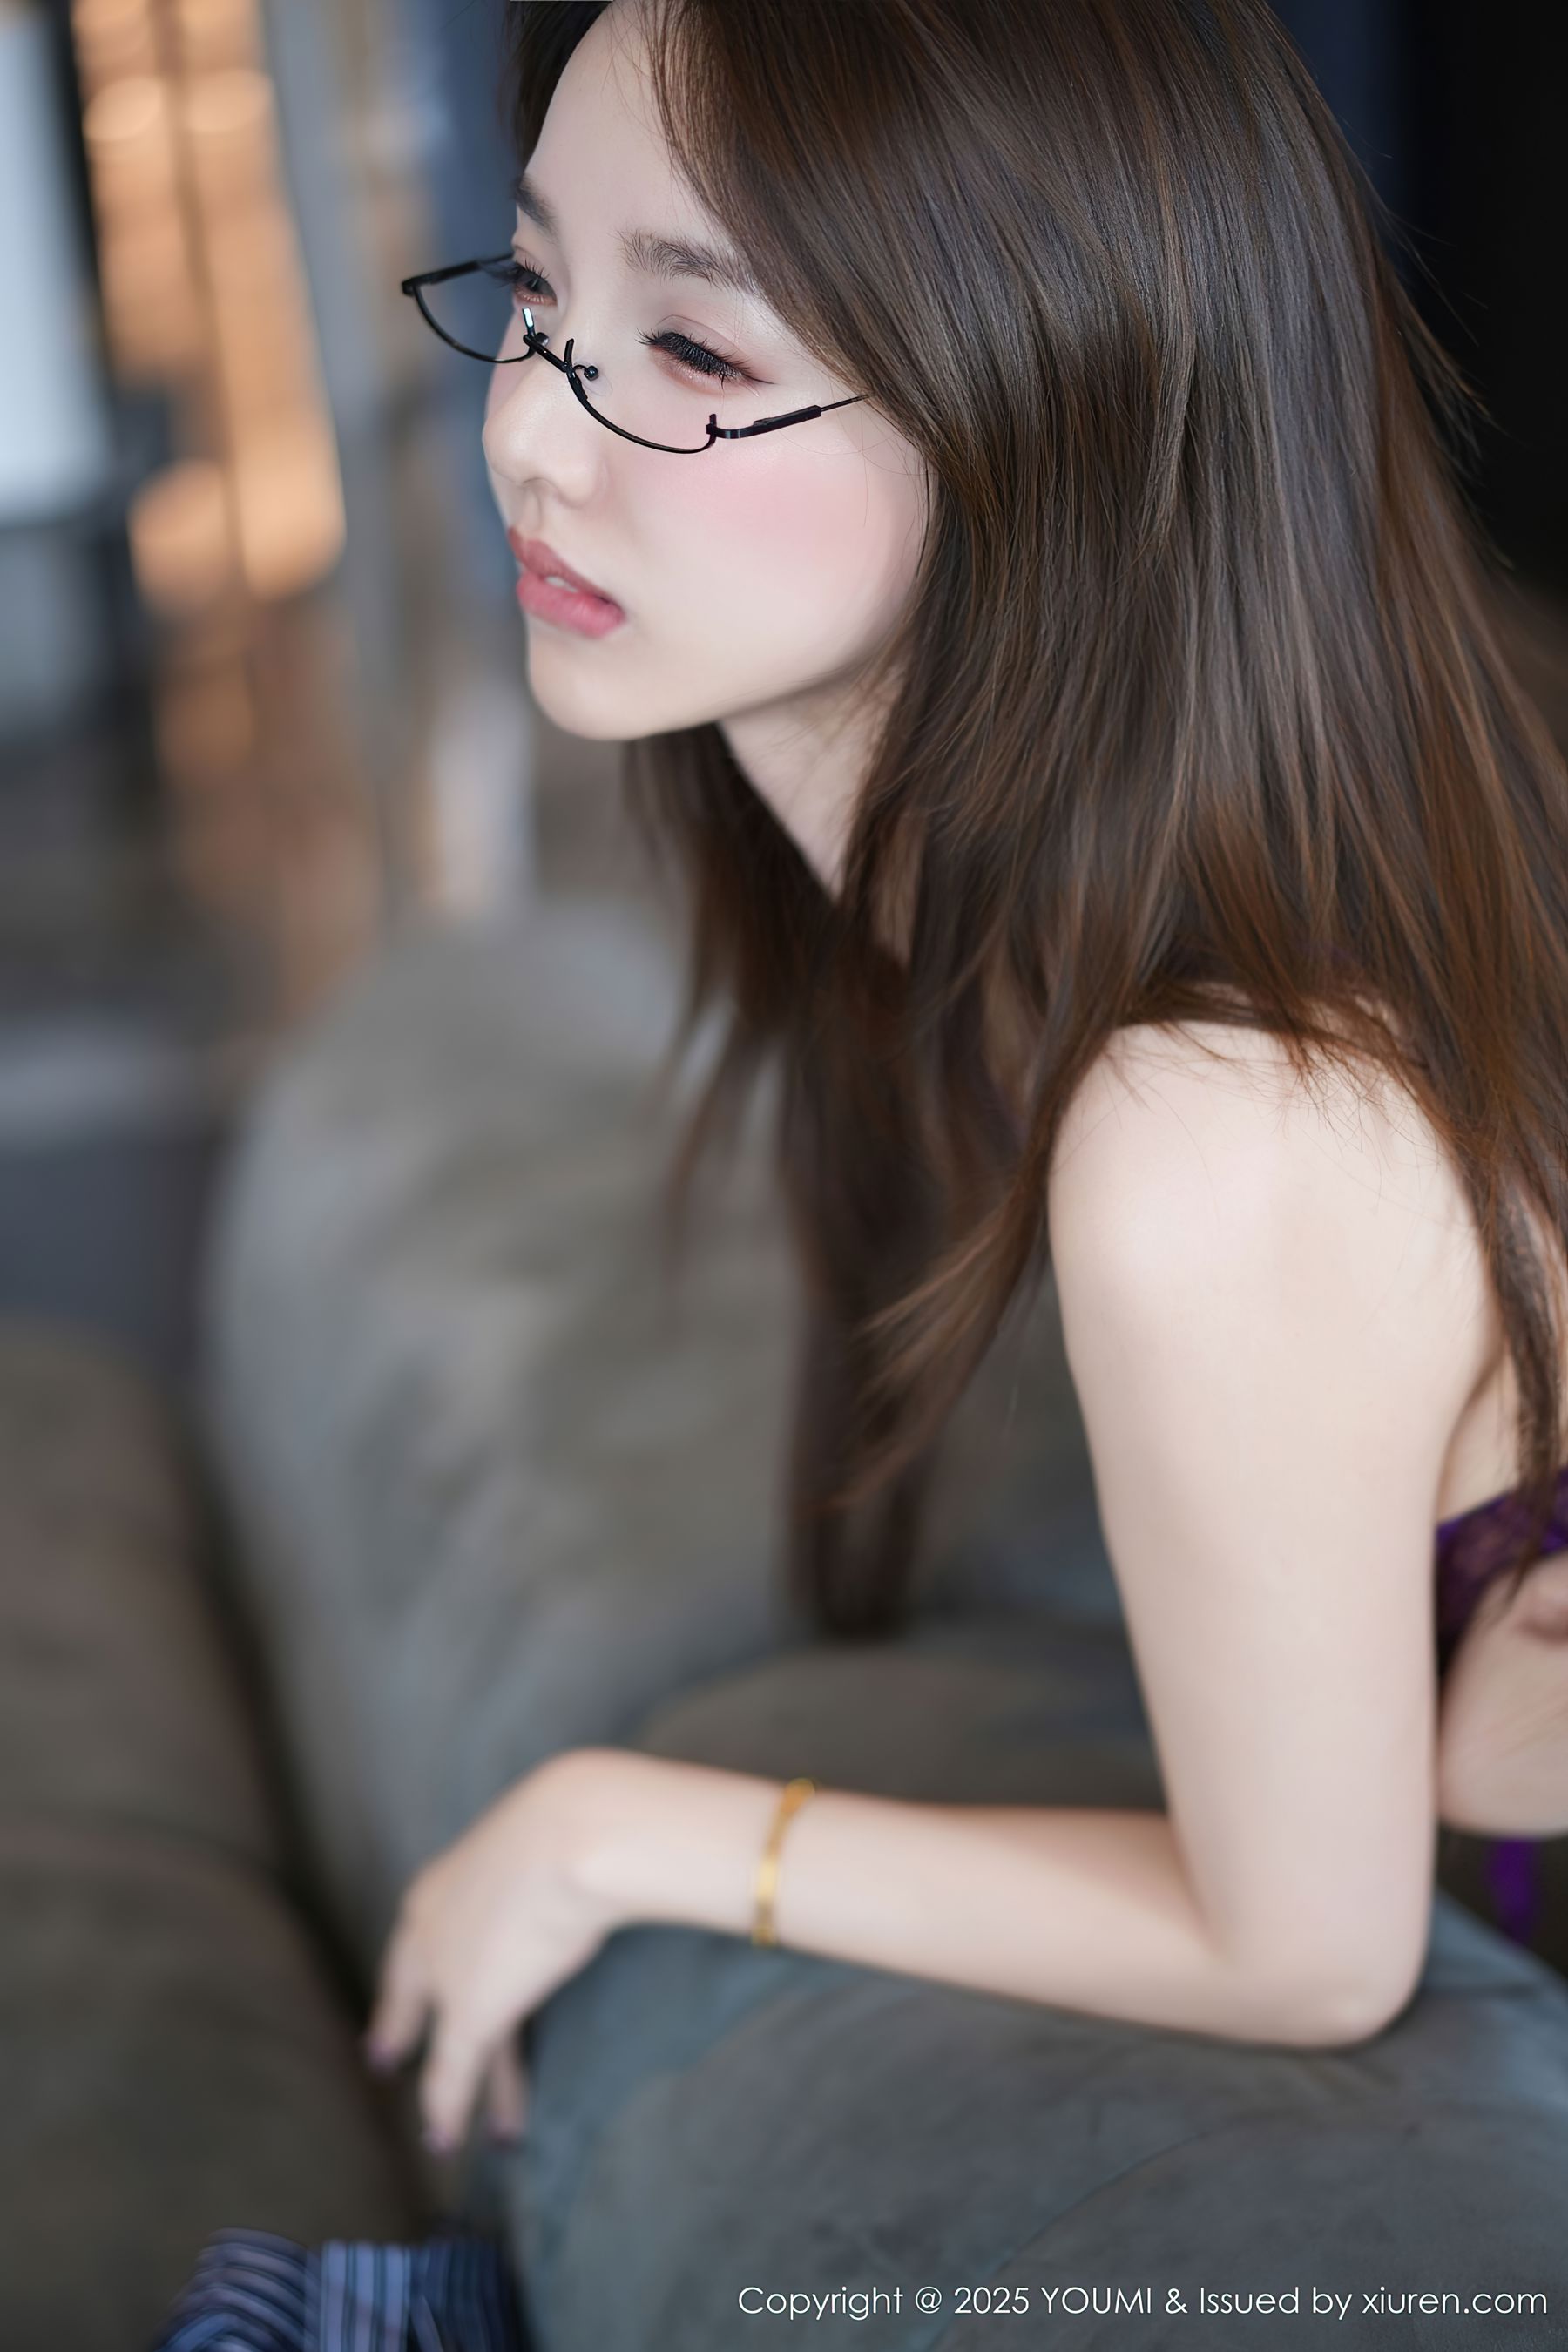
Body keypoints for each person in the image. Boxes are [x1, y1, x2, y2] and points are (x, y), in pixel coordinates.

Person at [368, 0, 1568, 2166]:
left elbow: (1307, 1956)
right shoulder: (1035, 875)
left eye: (697, 354)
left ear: (1056, 407)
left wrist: (617, 1830)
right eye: (534, 289)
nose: (532, 433)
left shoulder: (1219, 1130)